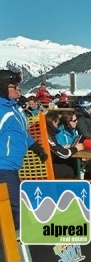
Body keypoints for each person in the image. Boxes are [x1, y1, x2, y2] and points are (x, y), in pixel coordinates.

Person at [0, 70, 48, 230]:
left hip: (12, 167)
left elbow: (22, 133)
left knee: (16, 208)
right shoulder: (1, 111)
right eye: (14, 86)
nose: (18, 89)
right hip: (3, 168)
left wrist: (36, 148)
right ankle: (17, 250)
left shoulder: (14, 108)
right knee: (18, 209)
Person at [45, 110, 85, 178]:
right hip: (46, 168)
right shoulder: (47, 135)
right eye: (57, 123)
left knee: (72, 163)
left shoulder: (48, 133)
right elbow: (63, 154)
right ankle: (75, 187)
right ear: (53, 122)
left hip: (46, 165)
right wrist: (76, 148)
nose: (58, 126)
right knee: (73, 169)